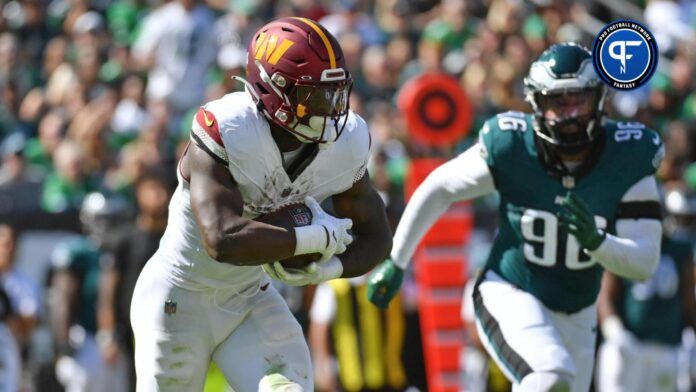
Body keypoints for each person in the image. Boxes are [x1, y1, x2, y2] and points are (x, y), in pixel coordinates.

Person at [367, 42, 664, 392]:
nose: (568, 115)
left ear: (598, 100)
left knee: (556, 379)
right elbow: (439, 186)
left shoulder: (627, 155)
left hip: (579, 312)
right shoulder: (512, 146)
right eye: (557, 103)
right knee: (549, 376)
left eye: (578, 100)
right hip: (511, 289)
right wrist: (398, 261)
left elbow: (644, 262)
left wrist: (597, 243)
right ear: (537, 105)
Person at [130, 17, 391, 392]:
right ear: (274, 91)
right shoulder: (229, 127)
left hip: (249, 296)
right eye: (316, 96)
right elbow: (221, 240)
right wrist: (311, 239)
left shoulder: (347, 141)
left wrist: (327, 269)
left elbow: (378, 238)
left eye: (336, 94)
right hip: (178, 297)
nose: (331, 109)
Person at [596, 187, 696, 392]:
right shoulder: (622, 243)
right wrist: (614, 330)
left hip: (665, 346)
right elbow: (605, 294)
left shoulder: (679, 250)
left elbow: (688, 299)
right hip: (627, 345)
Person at [98, 169, 173, 391]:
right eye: (151, 189)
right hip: (130, 327)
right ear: (138, 194)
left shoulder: (175, 238)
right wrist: (108, 332)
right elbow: (109, 287)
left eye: (162, 189)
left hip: (170, 321)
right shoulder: (125, 238)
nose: (158, 195)